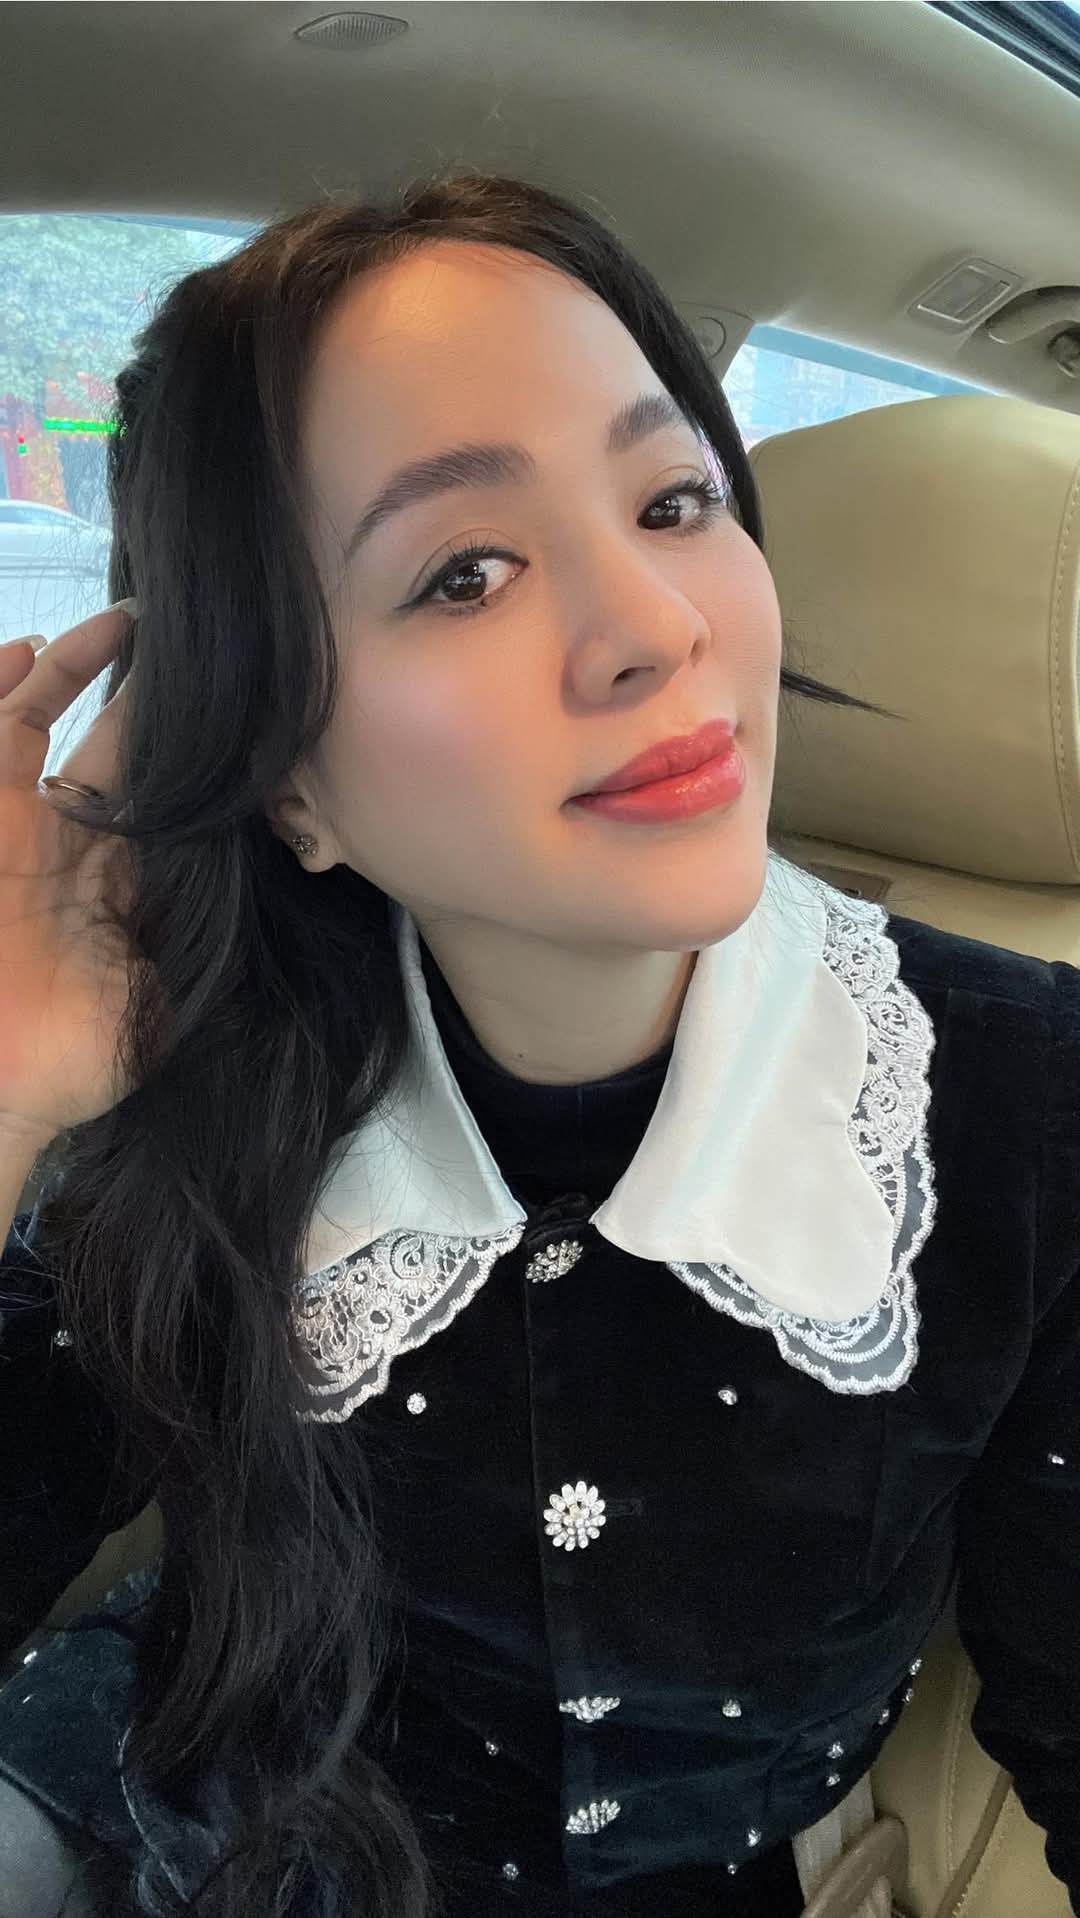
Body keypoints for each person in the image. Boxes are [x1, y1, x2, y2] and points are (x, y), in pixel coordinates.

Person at [0, 171, 1077, 1918]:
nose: (658, 626)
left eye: (674, 500)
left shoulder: (1021, 1099)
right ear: (286, 780)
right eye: (466, 571)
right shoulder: (193, 1058)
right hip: (155, 1802)